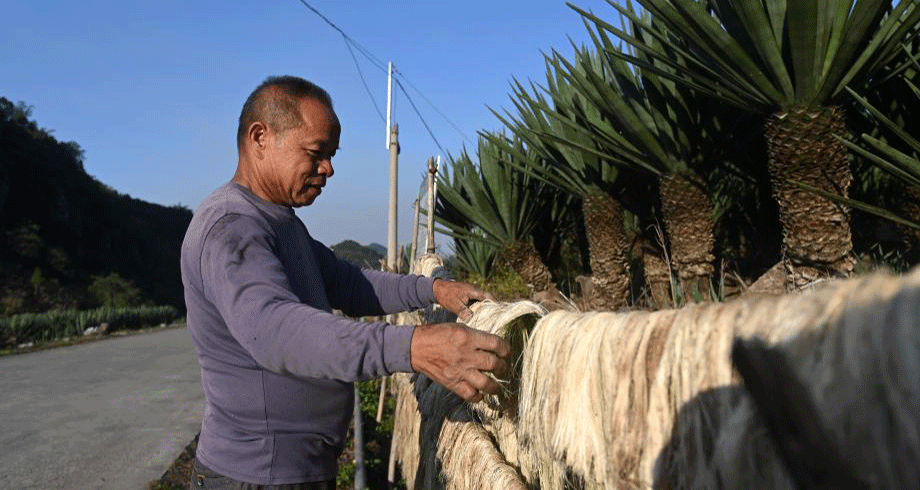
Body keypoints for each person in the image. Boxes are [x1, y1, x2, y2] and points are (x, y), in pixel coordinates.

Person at [181, 75, 510, 489]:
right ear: (260, 137)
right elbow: (274, 331)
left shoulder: (282, 225)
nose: (328, 169)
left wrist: (433, 290)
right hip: (255, 476)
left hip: (294, 472)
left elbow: (350, 284)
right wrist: (416, 347)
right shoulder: (231, 225)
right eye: (317, 153)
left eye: (331, 155)